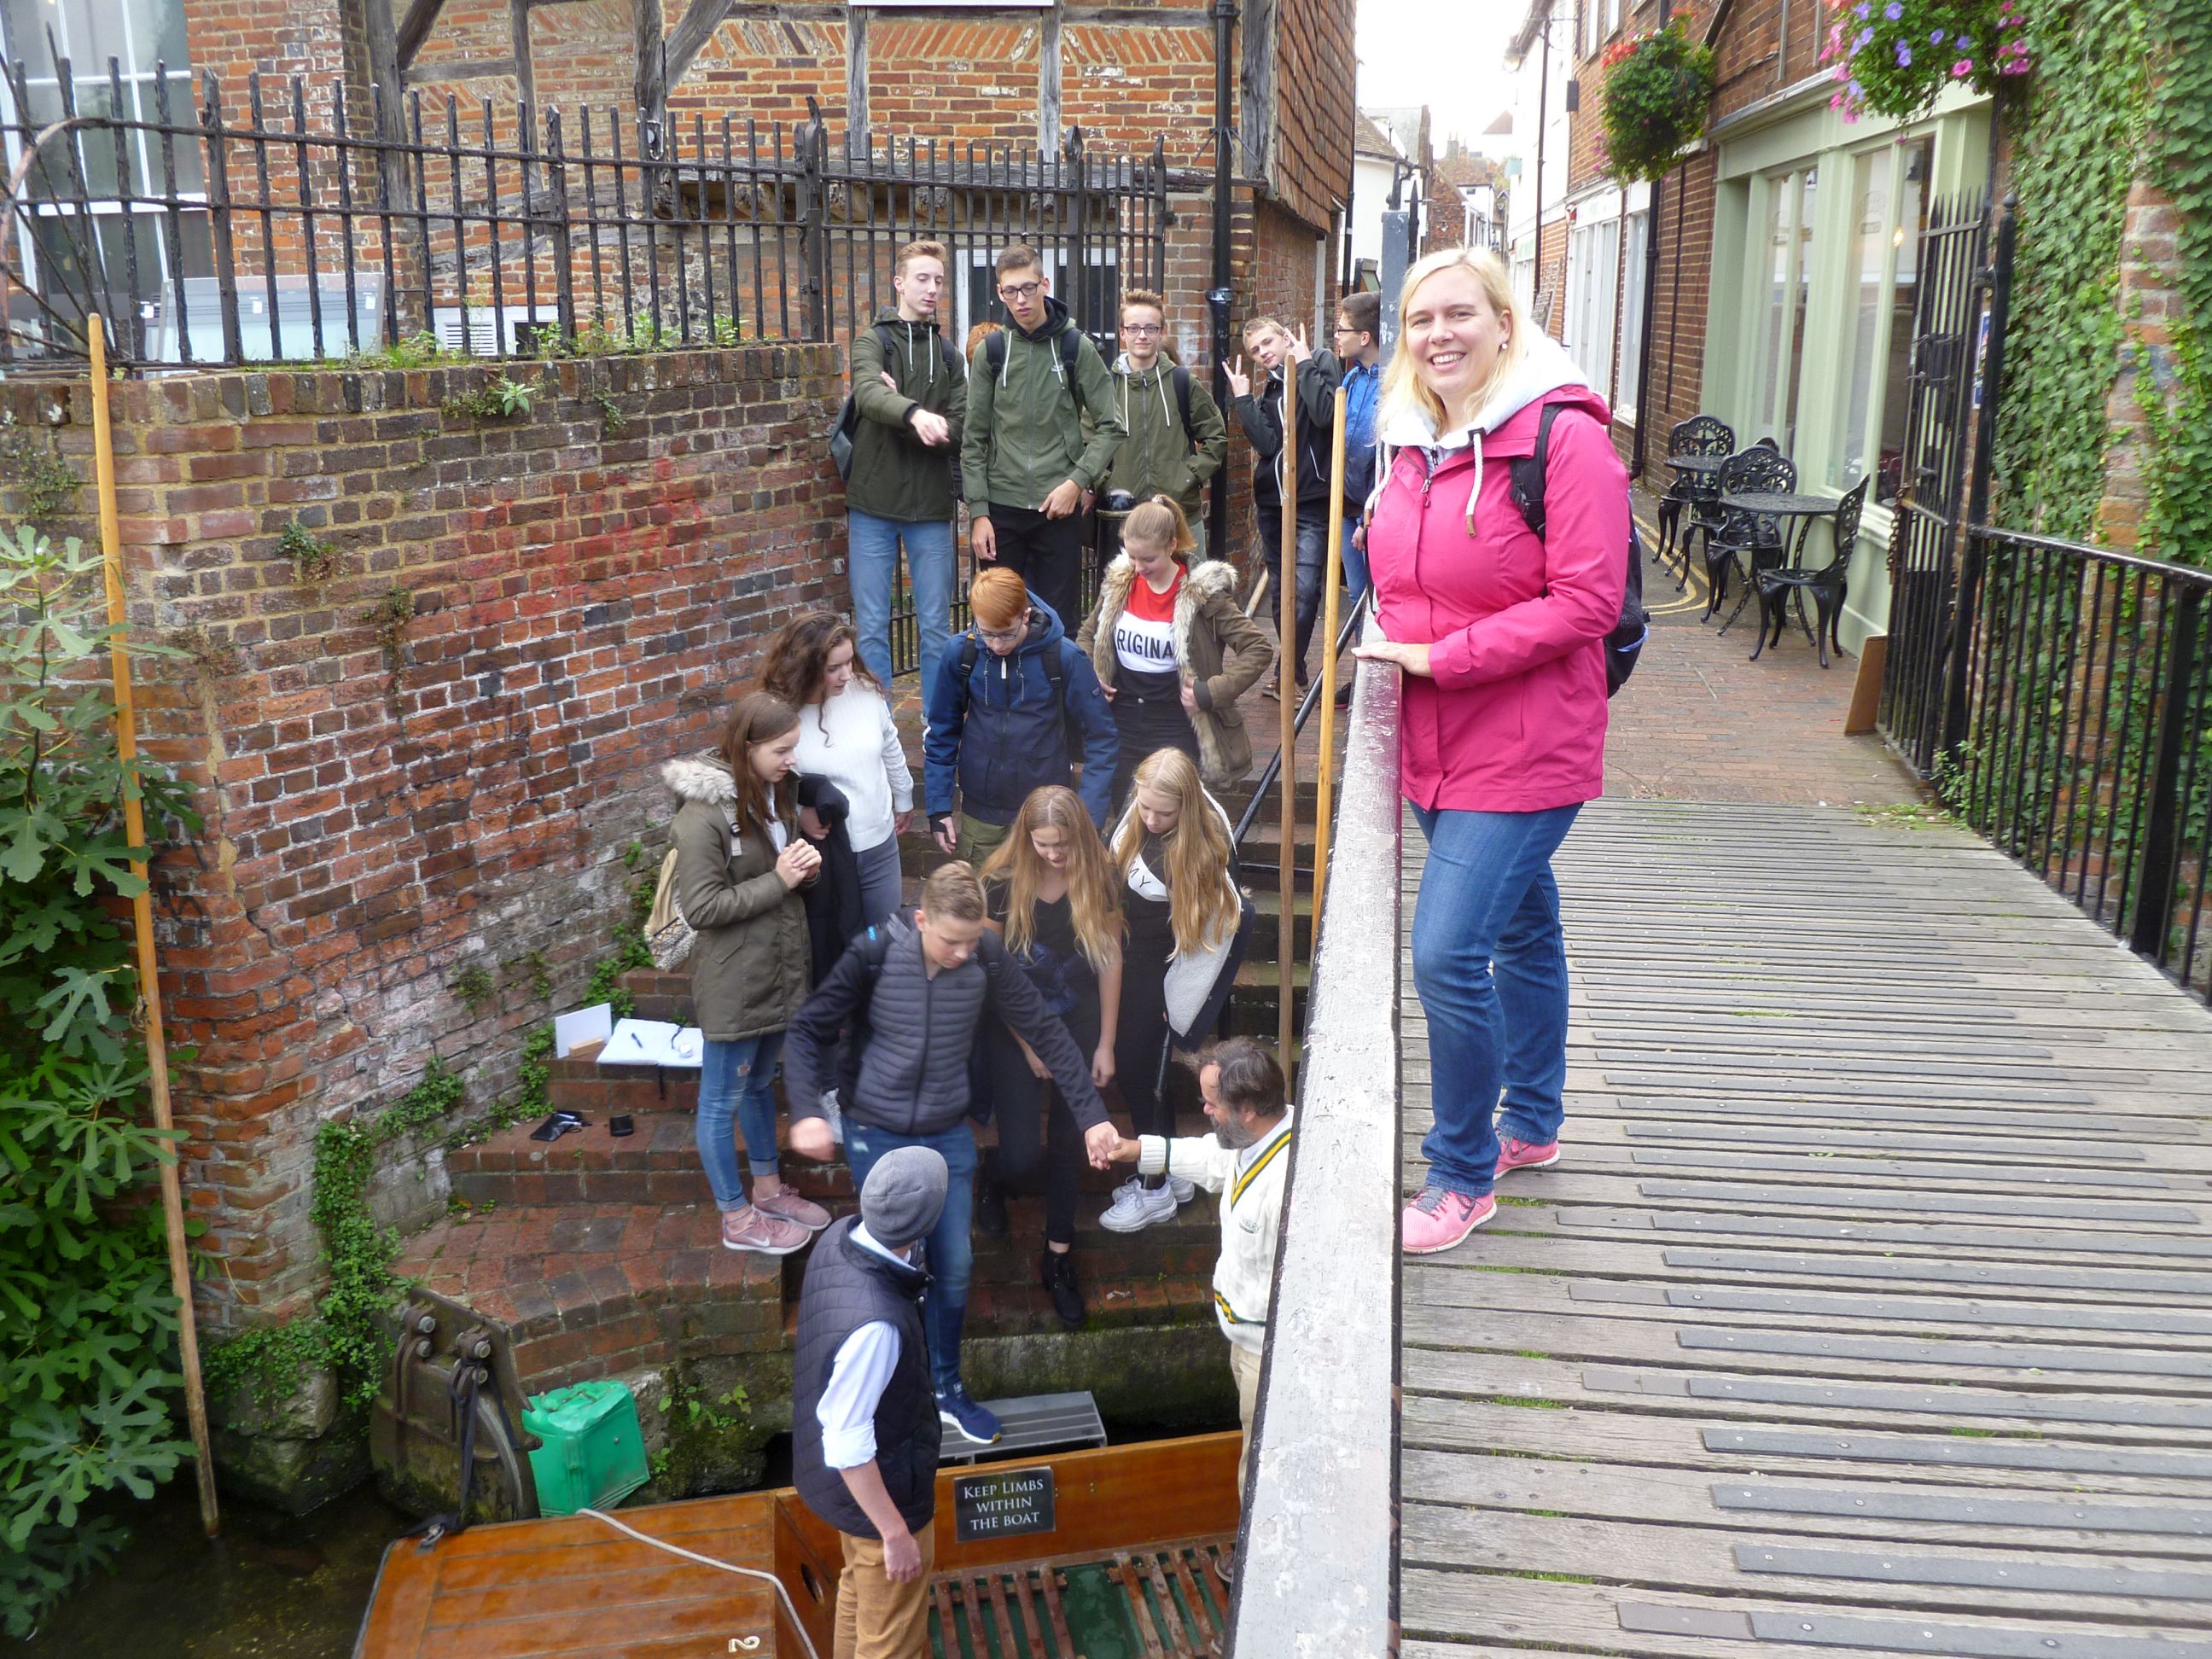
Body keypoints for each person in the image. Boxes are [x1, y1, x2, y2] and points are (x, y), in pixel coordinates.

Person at [1352, 247, 1627, 1257]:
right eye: (1421, 320)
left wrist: (1439, 657)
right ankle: (1534, 1123)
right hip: (1432, 740)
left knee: (1445, 952)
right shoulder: (1411, 440)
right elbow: (1401, 578)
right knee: (1522, 929)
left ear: (1505, 324)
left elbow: (1588, 602)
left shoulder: (1564, 438)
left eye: (1460, 314)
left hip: (1526, 742)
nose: (1439, 335)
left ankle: (1462, 1173)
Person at [784, 862, 1122, 1447]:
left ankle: (945, 1389)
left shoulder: (986, 956)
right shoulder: (874, 953)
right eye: (951, 942)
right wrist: (807, 1109)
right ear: (921, 920)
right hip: (876, 1130)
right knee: (890, 1267)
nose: (963, 954)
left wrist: (1093, 1116)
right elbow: (808, 1029)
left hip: (946, 1132)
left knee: (955, 1263)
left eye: (971, 941)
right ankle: (894, 1388)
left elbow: (1046, 1031)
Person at [663, 691, 832, 1254]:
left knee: (760, 1084)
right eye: (781, 750)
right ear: (749, 746)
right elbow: (703, 907)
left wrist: (804, 868)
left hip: (776, 972)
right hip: (734, 981)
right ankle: (736, 1217)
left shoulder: (773, 795)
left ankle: (768, 1190)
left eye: (793, 749)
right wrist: (780, 880)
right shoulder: (702, 816)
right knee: (720, 1102)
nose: (791, 760)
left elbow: (779, 875)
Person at [1106, 1037, 1288, 1504]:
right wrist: (1134, 1150)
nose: (1205, 1111)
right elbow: (1211, 1158)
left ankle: (1253, 1544)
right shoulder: (1257, 1137)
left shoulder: (1289, 1186)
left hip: (1272, 1356)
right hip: (1244, 1337)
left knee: (1260, 1471)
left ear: (1248, 1109)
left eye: (1212, 1103)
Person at [974, 786, 1123, 1329]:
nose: (1055, 854)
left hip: (1077, 1017)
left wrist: (1105, 1041)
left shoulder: (1100, 876)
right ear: (1027, 837)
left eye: (1064, 844)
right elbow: (990, 972)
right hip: (1015, 1021)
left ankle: (1057, 1255)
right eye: (1044, 844)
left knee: (1069, 1142)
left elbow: (1109, 957)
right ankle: (995, 1177)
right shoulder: (1001, 881)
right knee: (1020, 1153)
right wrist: (1026, 1043)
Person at [792, 1145, 949, 1659]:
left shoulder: (840, 1236)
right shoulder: (877, 1325)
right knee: (891, 1642)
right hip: (883, 1499)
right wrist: (895, 1533)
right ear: (927, 1224)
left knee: (858, 1590)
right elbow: (846, 1442)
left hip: (843, 1496)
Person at [1099, 748, 1248, 1234]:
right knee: (1145, 1075)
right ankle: (1170, 1173)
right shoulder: (1140, 817)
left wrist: (1181, 1002)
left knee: (1139, 1075)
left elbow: (1211, 938)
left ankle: (1155, 1187)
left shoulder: (1198, 854)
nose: (1150, 819)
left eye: (1163, 813)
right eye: (1144, 807)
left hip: (1158, 975)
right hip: (1132, 962)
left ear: (1186, 804)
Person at [962, 243, 1126, 627]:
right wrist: (979, 513)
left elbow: (1112, 425)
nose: (1021, 299)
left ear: (1045, 284)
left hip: (1058, 508)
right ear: (1000, 292)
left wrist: (1076, 482)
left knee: (1058, 623)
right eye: (1010, 291)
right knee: (998, 619)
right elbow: (973, 440)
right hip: (1001, 509)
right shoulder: (992, 351)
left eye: (1028, 288)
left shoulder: (1075, 347)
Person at [1076, 495, 1275, 804]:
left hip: (1175, 722)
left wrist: (1210, 692)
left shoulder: (1203, 595)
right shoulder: (1119, 582)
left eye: (1148, 559)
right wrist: (1093, 673)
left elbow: (1258, 649)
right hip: (1121, 717)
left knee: (1168, 811)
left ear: (1171, 545)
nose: (1138, 567)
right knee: (1122, 810)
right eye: (1132, 556)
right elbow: (1088, 635)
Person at [921, 565, 1117, 868]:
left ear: (1025, 616)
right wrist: (938, 806)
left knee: (1047, 897)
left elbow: (1101, 737)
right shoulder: (961, 653)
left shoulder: (1064, 657)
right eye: (987, 634)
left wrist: (1089, 817)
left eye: (1007, 634)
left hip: (1047, 813)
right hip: (982, 814)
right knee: (986, 897)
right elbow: (942, 730)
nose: (997, 645)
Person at [845, 239, 967, 692]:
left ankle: (937, 722)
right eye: (922, 279)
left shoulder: (949, 354)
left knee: (936, 625)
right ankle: (879, 720)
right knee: (872, 623)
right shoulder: (871, 342)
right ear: (899, 282)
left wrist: (903, 415)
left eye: (939, 280)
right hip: (873, 505)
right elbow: (868, 394)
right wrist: (915, 415)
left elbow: (961, 427)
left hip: (930, 507)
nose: (932, 289)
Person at [761, 611, 915, 928]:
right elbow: (762, 782)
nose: (847, 675)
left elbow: (889, 743)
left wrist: (904, 796)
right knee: (838, 946)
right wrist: (798, 812)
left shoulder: (865, 690)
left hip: (880, 844)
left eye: (849, 662)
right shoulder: (779, 713)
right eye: (833, 668)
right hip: (824, 855)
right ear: (805, 667)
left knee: (884, 939)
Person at [1223, 314, 1342, 694]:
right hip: (1273, 503)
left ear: (1285, 338)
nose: (1262, 353)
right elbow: (1267, 445)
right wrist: (1244, 399)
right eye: (1255, 351)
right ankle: (1292, 672)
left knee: (1304, 590)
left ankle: (1288, 670)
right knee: (1281, 590)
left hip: (1310, 501)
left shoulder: (1319, 362)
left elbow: (1326, 416)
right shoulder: (1270, 390)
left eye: (1267, 343)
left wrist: (1303, 365)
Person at [1097, 288, 1229, 560]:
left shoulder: (1182, 382)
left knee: (1191, 585)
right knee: (1131, 587)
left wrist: (1187, 476)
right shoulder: (1106, 387)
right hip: (1127, 518)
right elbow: (1087, 443)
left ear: (1161, 333)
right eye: (1133, 328)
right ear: (1122, 333)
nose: (1142, 335)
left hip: (1180, 514)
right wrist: (1108, 482)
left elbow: (1216, 436)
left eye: (1150, 328)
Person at [1333, 288, 1384, 619]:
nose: (1337, 336)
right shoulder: (1352, 378)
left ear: (1364, 337)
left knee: (1376, 600)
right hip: (1346, 504)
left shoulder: (1391, 384)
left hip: (1373, 512)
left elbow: (1389, 459)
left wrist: (1371, 518)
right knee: (1355, 597)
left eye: (1342, 329)